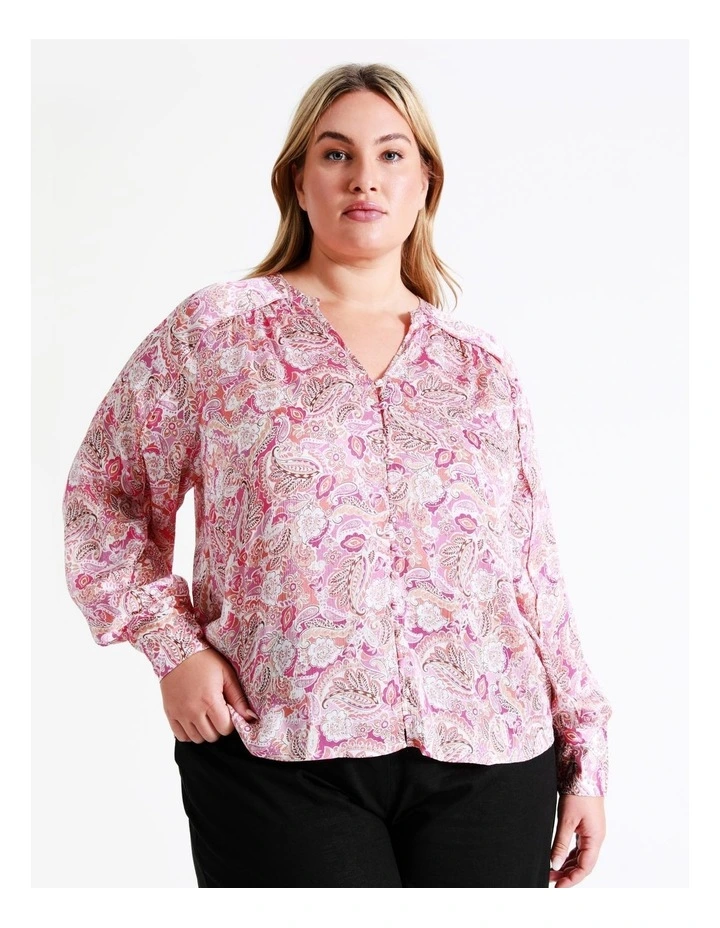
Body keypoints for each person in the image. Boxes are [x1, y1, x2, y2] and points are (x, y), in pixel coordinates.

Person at [62, 62, 613, 889]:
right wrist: (173, 649)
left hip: (493, 752)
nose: (365, 178)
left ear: (426, 182)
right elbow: (104, 498)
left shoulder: (479, 367)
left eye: (392, 155)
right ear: (298, 179)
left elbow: (532, 569)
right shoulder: (216, 333)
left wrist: (585, 752)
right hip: (277, 748)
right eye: (336, 154)